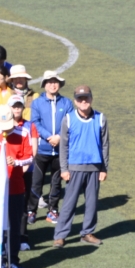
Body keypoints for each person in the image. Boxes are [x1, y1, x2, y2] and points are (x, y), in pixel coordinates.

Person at [52, 85, 109, 249]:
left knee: (92, 203)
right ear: (75, 101)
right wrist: (64, 169)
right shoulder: (68, 119)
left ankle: (87, 233)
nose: (83, 101)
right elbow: (63, 146)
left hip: (94, 168)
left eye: (86, 98)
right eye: (80, 99)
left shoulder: (101, 118)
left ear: (91, 98)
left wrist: (104, 169)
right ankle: (60, 235)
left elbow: (105, 145)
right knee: (69, 203)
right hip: (74, 168)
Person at [0, 103, 33, 268]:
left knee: (14, 225)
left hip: (16, 188)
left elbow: (29, 157)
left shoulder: (24, 133)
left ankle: (13, 261)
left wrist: (16, 163)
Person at [29, 70, 70, 224]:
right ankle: (31, 210)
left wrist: (59, 136)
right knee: (37, 182)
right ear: (44, 85)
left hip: (60, 150)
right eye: (50, 82)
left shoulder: (66, 103)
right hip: (41, 150)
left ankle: (53, 210)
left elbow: (69, 123)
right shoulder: (37, 102)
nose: (53, 85)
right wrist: (48, 137)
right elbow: (35, 122)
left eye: (55, 82)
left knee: (56, 182)